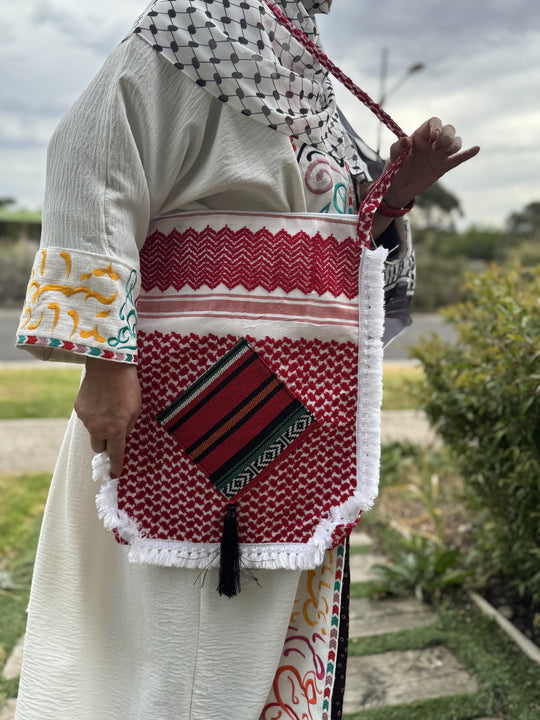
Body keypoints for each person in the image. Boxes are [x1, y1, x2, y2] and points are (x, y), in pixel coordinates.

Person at [15, 1, 479, 718]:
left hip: (298, 405)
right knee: (181, 643)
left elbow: (330, 225)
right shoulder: (196, 21)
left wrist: (399, 193)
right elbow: (87, 153)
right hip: (179, 402)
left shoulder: (304, 57)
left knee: (267, 630)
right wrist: (104, 364)